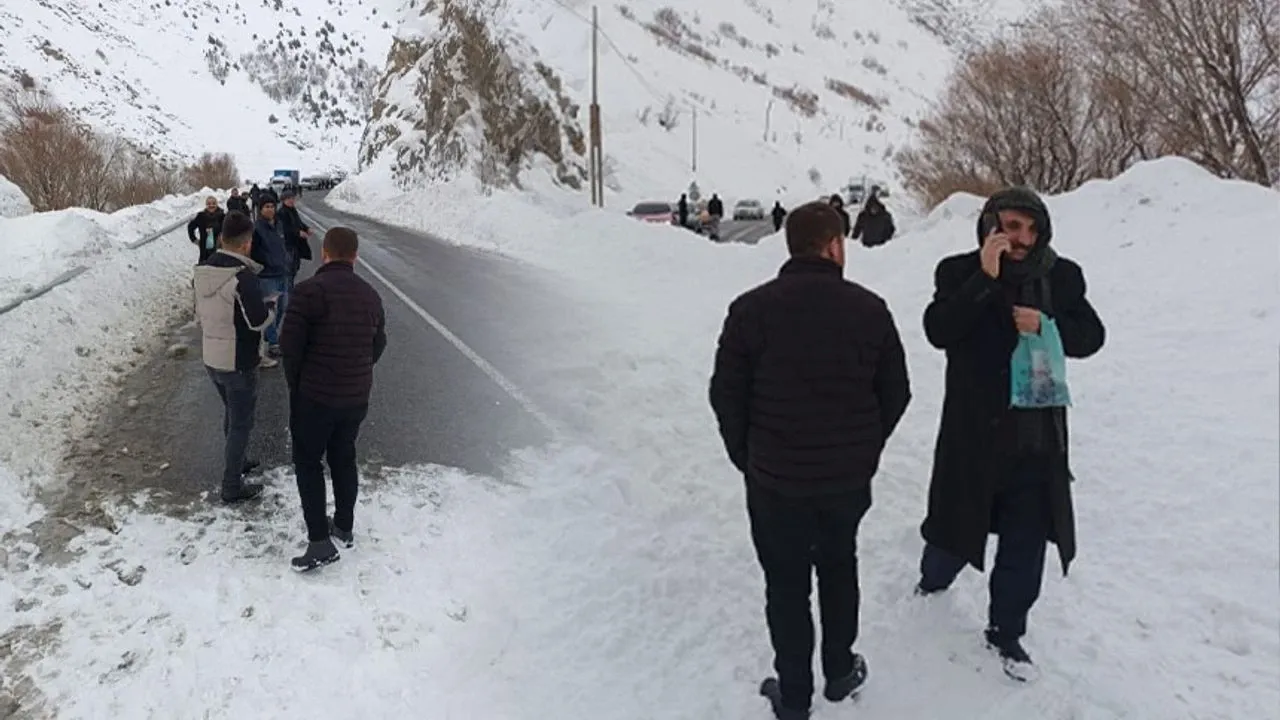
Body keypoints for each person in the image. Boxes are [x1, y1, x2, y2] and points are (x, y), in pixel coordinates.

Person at [709, 201, 911, 719]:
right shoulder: (870, 310)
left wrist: (748, 457)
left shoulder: (750, 310)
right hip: (845, 482)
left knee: (786, 585)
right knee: (840, 568)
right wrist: (865, 449)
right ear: (835, 246)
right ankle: (840, 672)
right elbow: (896, 392)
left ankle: (795, 696)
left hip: (775, 481)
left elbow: (726, 394)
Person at [915, 187, 1105, 681]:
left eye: (1031, 229)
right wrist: (984, 278)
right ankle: (933, 579)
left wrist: (1048, 325)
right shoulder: (957, 272)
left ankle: (1007, 631)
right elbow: (939, 329)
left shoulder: (1061, 276)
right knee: (956, 524)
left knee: (1026, 541)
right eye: (1012, 226)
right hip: (974, 433)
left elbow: (1092, 336)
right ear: (989, 226)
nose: (1022, 239)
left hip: (1036, 436)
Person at [280, 226, 387, 572]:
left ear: (324, 252)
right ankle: (343, 525)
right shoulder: (370, 295)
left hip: (315, 397)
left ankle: (319, 542)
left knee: (308, 462)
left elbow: (289, 347)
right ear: (355, 256)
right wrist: (357, 369)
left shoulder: (307, 292)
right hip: (355, 397)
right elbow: (378, 343)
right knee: (344, 457)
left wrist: (297, 385)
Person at [191, 211, 277, 504]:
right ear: (246, 244)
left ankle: (237, 461)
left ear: (222, 239)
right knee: (241, 423)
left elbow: (199, 313)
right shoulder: (243, 278)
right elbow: (257, 321)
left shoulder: (203, 272)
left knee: (232, 413)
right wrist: (271, 308)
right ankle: (231, 485)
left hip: (212, 358)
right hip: (239, 361)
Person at [250, 197, 290, 365]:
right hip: (267, 276)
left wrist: (286, 260)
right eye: (266, 206)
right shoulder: (257, 228)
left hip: (282, 273)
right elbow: (253, 251)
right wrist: (265, 262)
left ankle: (270, 335)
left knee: (283, 307)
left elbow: (282, 245)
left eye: (272, 206)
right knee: (270, 311)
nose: (270, 209)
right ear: (260, 209)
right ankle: (273, 342)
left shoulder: (278, 225)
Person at [277, 191, 313, 290]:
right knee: (288, 271)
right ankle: (288, 292)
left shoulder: (292, 210)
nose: (291, 200)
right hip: (288, 246)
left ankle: (290, 289)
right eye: (288, 199)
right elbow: (284, 229)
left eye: (292, 198)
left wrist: (306, 228)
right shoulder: (281, 213)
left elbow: (298, 223)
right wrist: (298, 233)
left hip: (295, 245)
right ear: (283, 200)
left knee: (294, 269)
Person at [187, 196, 225, 264]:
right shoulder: (201, 216)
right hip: (205, 251)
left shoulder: (223, 216)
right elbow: (190, 227)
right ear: (206, 205)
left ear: (217, 204)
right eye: (209, 204)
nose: (211, 205)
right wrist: (194, 240)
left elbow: (230, 229)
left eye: (214, 203)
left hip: (220, 249)